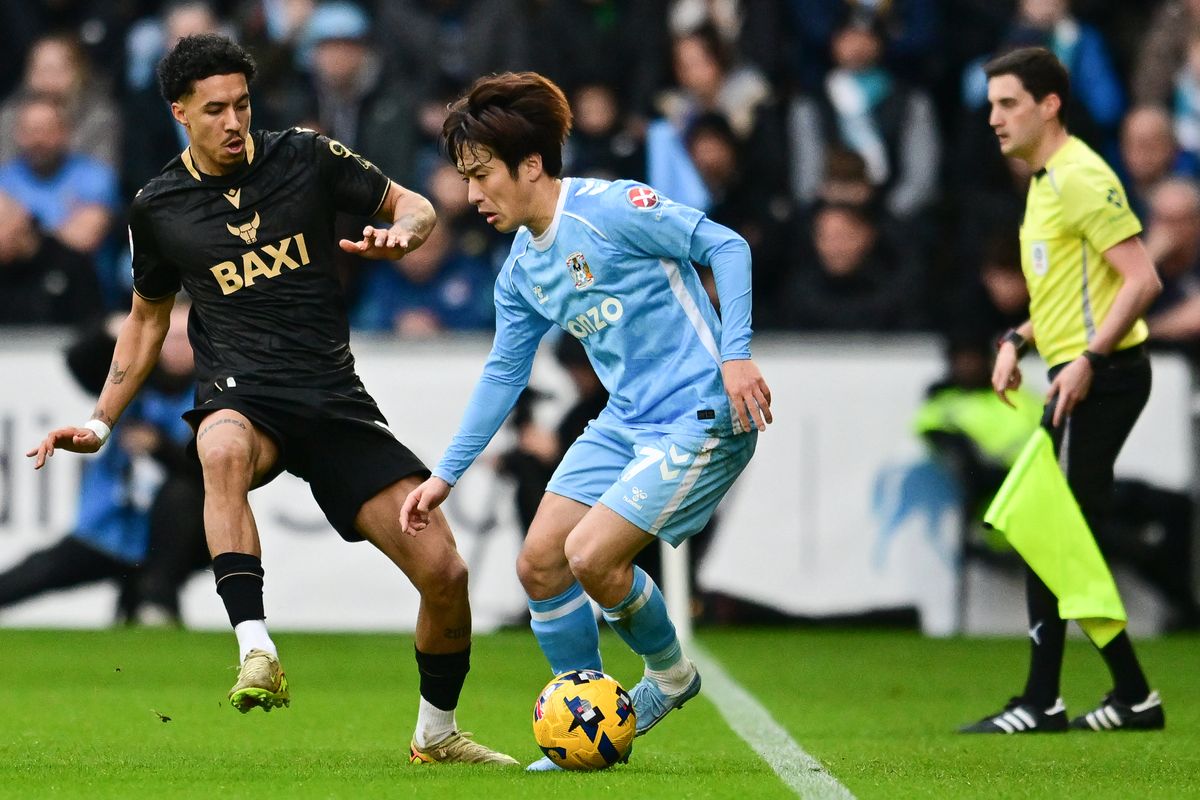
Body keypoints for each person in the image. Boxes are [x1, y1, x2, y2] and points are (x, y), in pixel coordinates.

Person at [25, 34, 516, 767]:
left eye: (242, 105)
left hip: (333, 398)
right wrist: (101, 421)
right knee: (218, 446)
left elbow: (413, 204)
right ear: (180, 112)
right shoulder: (157, 206)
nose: (234, 121)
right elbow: (147, 321)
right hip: (243, 393)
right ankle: (255, 647)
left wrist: (407, 234)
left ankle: (437, 734)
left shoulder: (305, 157)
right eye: (215, 109)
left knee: (445, 574)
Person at [399, 72, 771, 770]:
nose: (471, 195)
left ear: (531, 164)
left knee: (592, 556)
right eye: (466, 178)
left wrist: (737, 354)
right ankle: (588, 722)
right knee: (540, 563)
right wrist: (444, 475)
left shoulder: (612, 208)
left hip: (700, 413)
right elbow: (503, 374)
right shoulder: (520, 269)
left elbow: (727, 246)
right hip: (625, 421)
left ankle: (669, 676)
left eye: (481, 175)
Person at [961, 46, 1165, 734]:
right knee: (1049, 530)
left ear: (1050, 105)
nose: (995, 118)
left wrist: (1087, 360)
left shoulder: (1080, 176)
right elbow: (1078, 296)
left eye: (1008, 103)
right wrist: (1018, 340)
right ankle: (1104, 695)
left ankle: (1067, 699)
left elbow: (1141, 280)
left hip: (1102, 380)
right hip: (1085, 376)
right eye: (991, 104)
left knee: (1051, 531)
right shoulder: (1047, 180)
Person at [1, 302, 202, 624]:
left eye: (186, 338)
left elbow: (202, 469)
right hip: (112, 526)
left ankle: (156, 601)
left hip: (179, 536)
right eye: (170, 337)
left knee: (182, 497)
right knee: (41, 571)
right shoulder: (132, 379)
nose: (178, 348)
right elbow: (80, 360)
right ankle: (149, 602)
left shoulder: (212, 391)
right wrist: (125, 324)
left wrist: (159, 447)